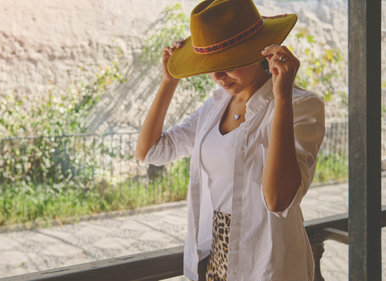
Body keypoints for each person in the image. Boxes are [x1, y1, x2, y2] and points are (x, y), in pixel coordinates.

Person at [134, 0, 325, 280]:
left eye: (227, 63)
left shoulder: (302, 106)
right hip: (214, 253)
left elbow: (278, 200)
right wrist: (169, 81)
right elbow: (149, 152)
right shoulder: (215, 107)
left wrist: (281, 97)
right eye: (211, 65)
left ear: (261, 52)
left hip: (264, 259)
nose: (217, 76)